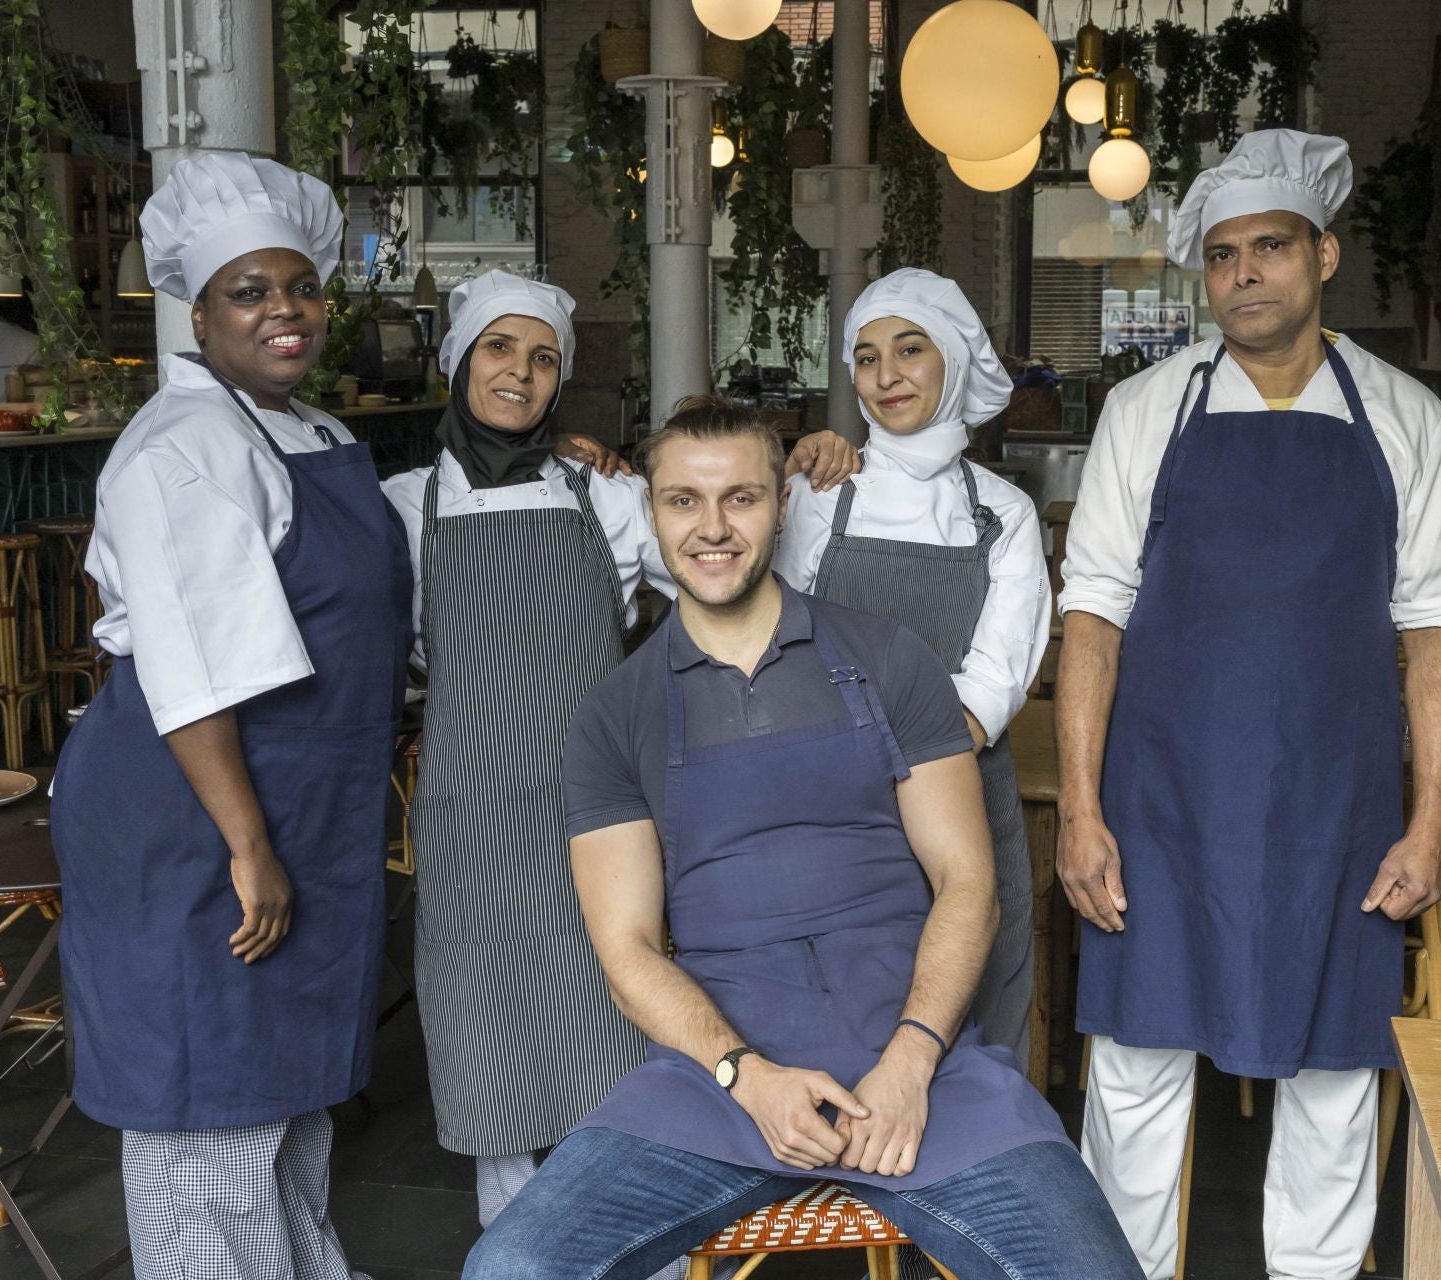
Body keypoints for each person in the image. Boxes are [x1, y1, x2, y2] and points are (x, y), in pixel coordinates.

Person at [457, 397, 1142, 1280]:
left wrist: (910, 1062)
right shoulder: (614, 715)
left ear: (782, 505)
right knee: (511, 1268)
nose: (712, 528)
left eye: (740, 498)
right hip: (714, 1082)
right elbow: (625, 947)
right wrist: (747, 1075)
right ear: (652, 511)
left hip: (922, 1063)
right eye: (683, 501)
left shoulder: (891, 660)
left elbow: (969, 881)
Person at [1055, 130, 1441, 1280]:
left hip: (1333, 807)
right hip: (1163, 801)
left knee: (1335, 1075)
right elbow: (1089, 617)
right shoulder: (1148, 409)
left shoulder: (1404, 416)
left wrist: (1428, 823)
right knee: (1135, 1074)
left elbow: (1436, 637)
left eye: (1272, 247)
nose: (1246, 273)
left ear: (1324, 254)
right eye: (1225, 254)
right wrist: (1079, 810)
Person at [379, 272, 861, 1234]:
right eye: (499, 351)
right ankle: (522, 1250)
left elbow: (723, 546)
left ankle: (617, 1238)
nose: (520, 373)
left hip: (602, 815)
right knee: (493, 1055)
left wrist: (821, 460)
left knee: (616, 1031)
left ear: (562, 381)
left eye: (543, 358)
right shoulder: (404, 507)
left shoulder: (603, 496)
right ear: (459, 360)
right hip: (471, 822)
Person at [52, 152, 410, 1279]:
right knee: (207, 1111)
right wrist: (248, 844)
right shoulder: (186, 448)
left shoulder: (301, 431)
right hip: (198, 813)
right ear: (198, 312)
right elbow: (190, 669)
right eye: (250, 291)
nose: (284, 311)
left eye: (299, 286)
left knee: (286, 1110)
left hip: (292, 802)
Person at [777, 267, 1049, 1069]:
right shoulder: (818, 495)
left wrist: (904, 765)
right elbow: (776, 642)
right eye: (865, 358)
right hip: (827, 795)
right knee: (840, 1017)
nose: (885, 375)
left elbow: (995, 678)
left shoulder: (1004, 512)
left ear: (955, 361)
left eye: (909, 350)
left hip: (962, 788)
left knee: (980, 1007)